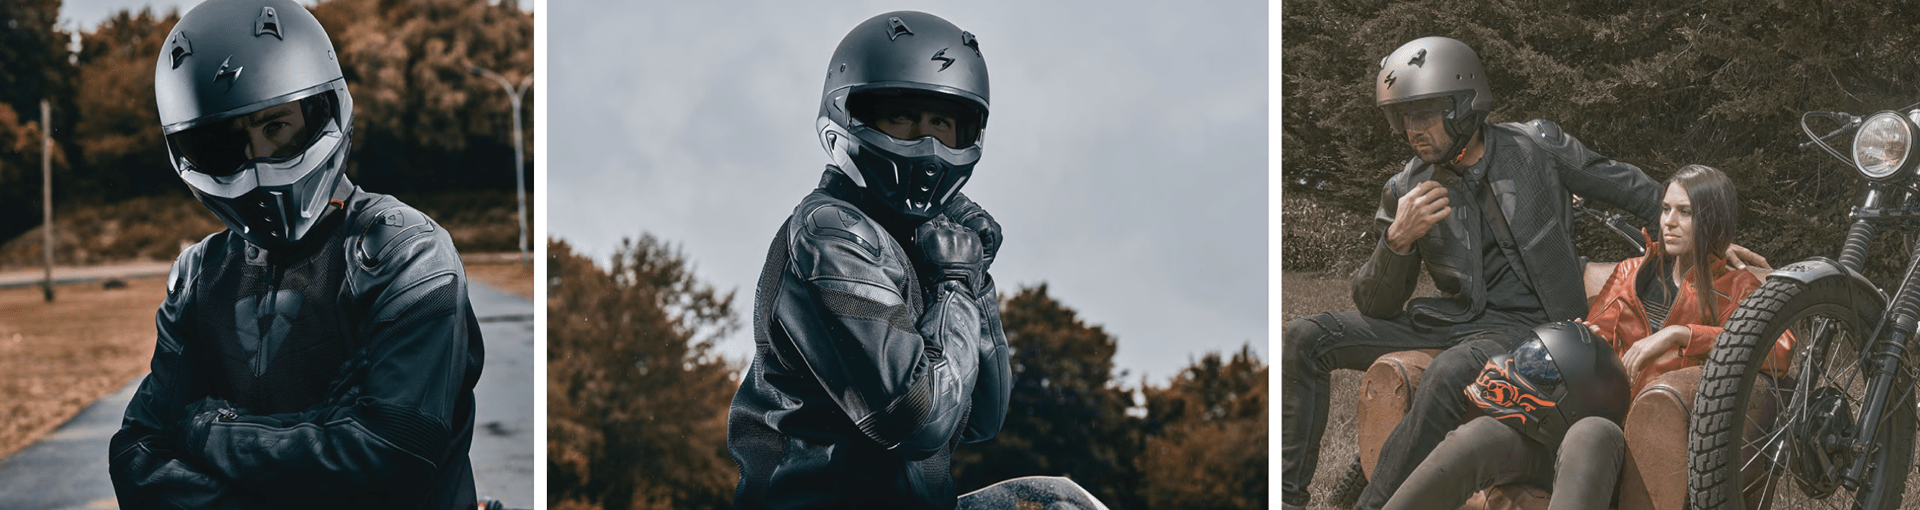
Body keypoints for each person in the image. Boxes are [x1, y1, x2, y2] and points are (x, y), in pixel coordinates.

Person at [1278, 36, 1765, 510]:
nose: (1412, 129)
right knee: (1304, 337)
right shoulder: (1405, 187)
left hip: (1532, 326)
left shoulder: (1536, 147)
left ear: (1463, 106)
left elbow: (1631, 188)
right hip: (1449, 321)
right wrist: (1396, 241)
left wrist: (1709, 238)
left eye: (1424, 113)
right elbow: (1376, 304)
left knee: (1448, 372)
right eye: (1403, 116)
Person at [108, 0, 486, 507]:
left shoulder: (406, 254)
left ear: (322, 110)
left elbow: (392, 450)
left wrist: (207, 430)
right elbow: (137, 454)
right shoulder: (200, 276)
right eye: (226, 144)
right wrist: (320, 435)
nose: (258, 163)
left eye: (276, 127)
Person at [726, 10, 1012, 510]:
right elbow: (918, 420)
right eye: (900, 118)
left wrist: (976, 272)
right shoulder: (833, 235)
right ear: (851, 116)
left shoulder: (916, 241)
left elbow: (984, 416)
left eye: (942, 123)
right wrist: (955, 287)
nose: (926, 145)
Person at [1381, 164, 1794, 509]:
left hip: (1631, 448)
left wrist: (1680, 335)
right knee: (1479, 435)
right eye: (1666, 208)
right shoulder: (1630, 273)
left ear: (1713, 220)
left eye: (1685, 212)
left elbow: (1778, 350)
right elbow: (1591, 342)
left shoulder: (1740, 288)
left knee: (1591, 432)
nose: (1668, 221)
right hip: (1570, 425)